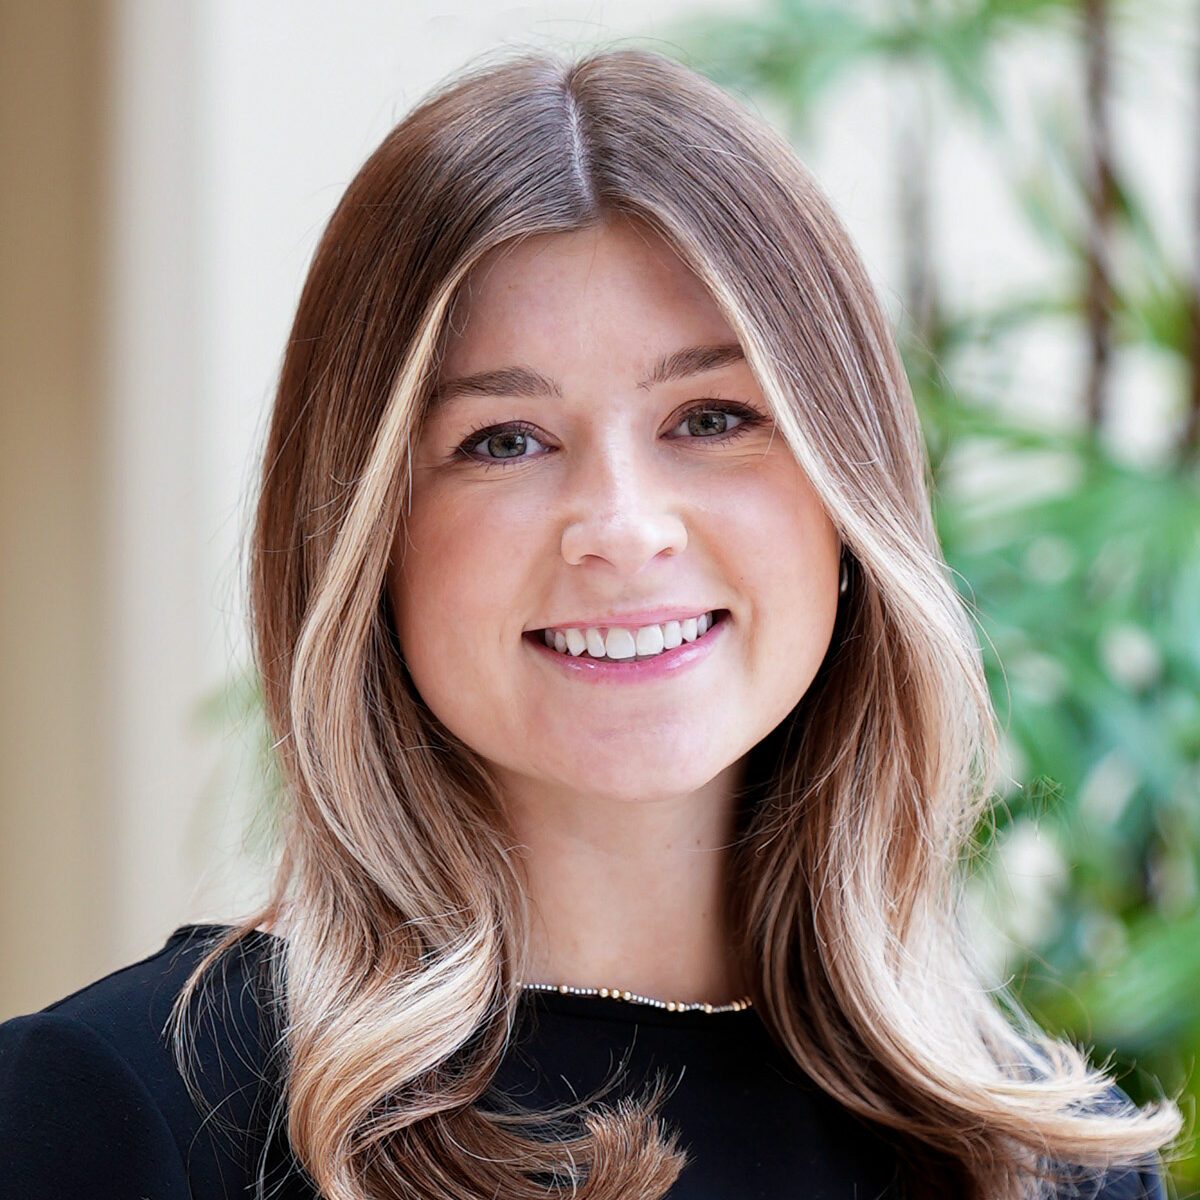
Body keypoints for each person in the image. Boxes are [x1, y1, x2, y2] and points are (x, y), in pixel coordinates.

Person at [0, 45, 1181, 1200]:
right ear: (365, 540)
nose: (622, 527)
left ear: (847, 494)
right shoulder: (120, 1115)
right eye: (503, 442)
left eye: (711, 417)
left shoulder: (1052, 1163)